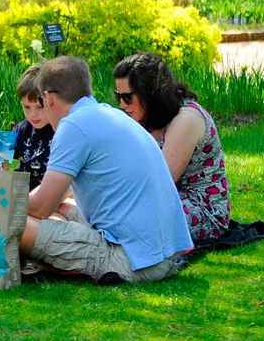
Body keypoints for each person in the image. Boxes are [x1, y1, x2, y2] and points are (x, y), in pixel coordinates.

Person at [21, 56, 192, 283]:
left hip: (131, 261)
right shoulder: (109, 115)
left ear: (49, 99)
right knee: (62, 206)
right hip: (166, 254)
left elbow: (41, 207)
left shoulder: (72, 126)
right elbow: (56, 196)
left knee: (7, 223)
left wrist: (1, 203)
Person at [113, 52, 232, 243]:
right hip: (167, 202)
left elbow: (160, 181)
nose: (121, 104)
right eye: (118, 96)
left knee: (126, 220)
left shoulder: (187, 119)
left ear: (150, 93)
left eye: (127, 97)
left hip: (202, 210)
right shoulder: (144, 118)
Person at [2, 65, 54, 189]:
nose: (33, 115)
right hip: (22, 196)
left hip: (52, 196)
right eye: (27, 107)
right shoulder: (22, 129)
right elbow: (0, 169)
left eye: (39, 107)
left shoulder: (61, 130)